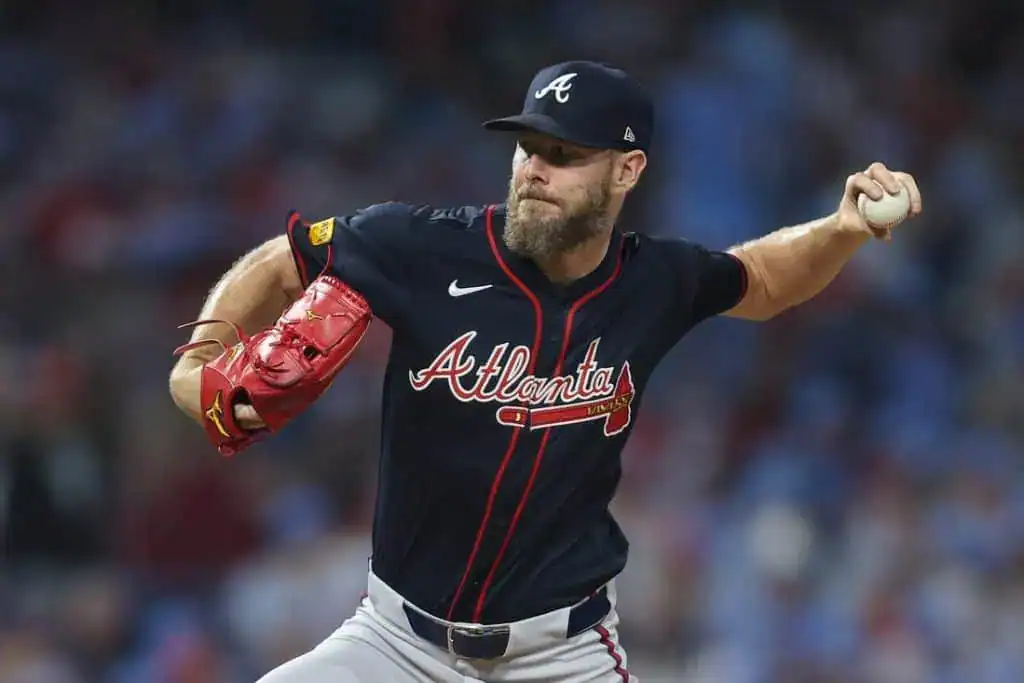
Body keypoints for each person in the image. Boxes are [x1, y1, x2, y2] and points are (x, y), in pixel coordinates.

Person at [168, 60, 922, 682]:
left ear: (626, 170)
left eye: (564, 154)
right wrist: (201, 358)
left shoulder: (653, 281)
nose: (535, 169)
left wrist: (842, 228)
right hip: (395, 645)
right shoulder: (421, 246)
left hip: (560, 657)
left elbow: (760, 278)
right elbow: (284, 260)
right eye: (528, 147)